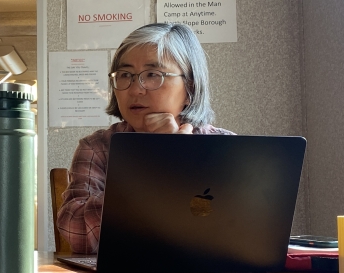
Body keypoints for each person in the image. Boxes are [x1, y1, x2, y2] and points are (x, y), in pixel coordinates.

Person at [57, 22, 233, 254]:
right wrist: (152, 164)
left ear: (189, 88)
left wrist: (181, 160)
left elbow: (232, 234)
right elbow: (76, 233)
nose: (136, 89)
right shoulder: (98, 147)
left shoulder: (225, 147)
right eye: (125, 75)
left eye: (152, 75)